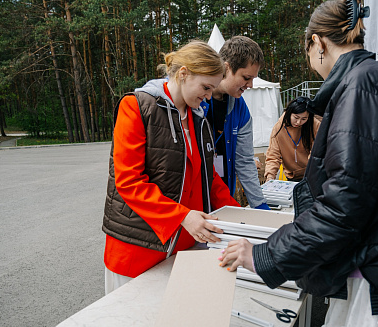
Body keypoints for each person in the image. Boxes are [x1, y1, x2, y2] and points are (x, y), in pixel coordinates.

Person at [219, 1, 378, 326]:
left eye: (309, 52)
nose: (311, 64)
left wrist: (263, 254)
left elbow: (342, 206)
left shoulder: (361, 88)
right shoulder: (372, 81)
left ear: (318, 43)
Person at [102, 40, 240, 294]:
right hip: (138, 248)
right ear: (183, 73)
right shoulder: (136, 106)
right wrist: (183, 216)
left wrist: (240, 217)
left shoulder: (197, 118)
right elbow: (128, 182)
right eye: (206, 87)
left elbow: (207, 178)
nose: (209, 96)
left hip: (183, 248)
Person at [201, 36, 270, 210]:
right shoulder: (195, 102)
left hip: (224, 198)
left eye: (253, 78)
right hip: (195, 201)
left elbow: (245, 161)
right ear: (227, 67)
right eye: (246, 77)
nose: (251, 85)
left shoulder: (240, 109)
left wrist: (259, 204)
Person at [264, 97, 321, 182]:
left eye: (303, 119)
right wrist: (270, 176)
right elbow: (273, 155)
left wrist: (312, 172)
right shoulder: (278, 128)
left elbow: (317, 153)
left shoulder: (315, 125)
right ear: (289, 113)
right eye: (296, 117)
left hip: (313, 175)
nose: (298, 122)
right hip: (292, 176)